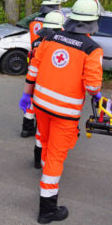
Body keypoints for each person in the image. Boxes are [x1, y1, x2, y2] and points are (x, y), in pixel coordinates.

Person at [20, 0, 103, 224]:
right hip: (64, 114)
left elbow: (34, 69)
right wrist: (99, 95)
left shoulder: (50, 37)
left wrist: (26, 96)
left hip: (41, 106)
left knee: (45, 145)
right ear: (92, 22)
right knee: (56, 157)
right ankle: (47, 209)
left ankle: (47, 178)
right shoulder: (92, 49)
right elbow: (93, 86)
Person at [22, 10, 65, 169]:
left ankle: (38, 161)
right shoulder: (66, 47)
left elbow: (33, 69)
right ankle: (45, 164)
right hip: (57, 99)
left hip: (40, 94)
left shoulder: (40, 42)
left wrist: (27, 93)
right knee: (52, 136)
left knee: (41, 132)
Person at [23, 0, 67, 137]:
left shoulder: (35, 21)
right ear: (56, 7)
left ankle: (26, 126)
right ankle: (40, 126)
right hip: (48, 63)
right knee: (44, 95)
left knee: (31, 93)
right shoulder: (57, 23)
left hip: (33, 60)